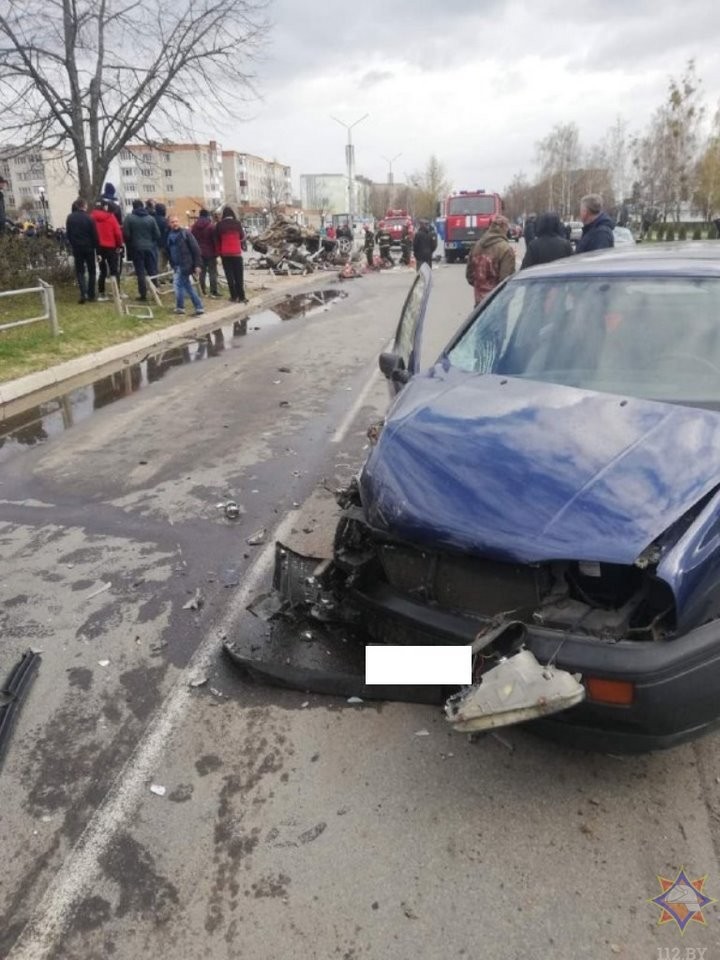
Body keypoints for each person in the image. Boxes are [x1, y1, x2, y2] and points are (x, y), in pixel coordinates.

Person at [466, 214, 516, 305]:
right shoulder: (505, 249)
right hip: (498, 303)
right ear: (503, 228)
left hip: (479, 303)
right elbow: (505, 281)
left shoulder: (476, 246)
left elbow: (469, 275)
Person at [166, 214, 204, 316]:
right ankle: (199, 306)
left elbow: (196, 249)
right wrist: (172, 264)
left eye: (176, 221)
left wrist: (197, 265)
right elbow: (169, 252)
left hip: (185, 264)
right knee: (187, 286)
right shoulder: (169, 236)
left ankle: (180, 307)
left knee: (177, 284)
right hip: (177, 265)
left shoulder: (186, 234)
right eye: (172, 222)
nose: (175, 224)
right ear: (169, 224)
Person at [123, 198, 160, 301]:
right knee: (152, 270)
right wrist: (151, 242)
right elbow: (157, 234)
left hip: (136, 248)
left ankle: (143, 294)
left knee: (140, 272)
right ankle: (155, 291)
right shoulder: (150, 218)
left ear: (133, 207)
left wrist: (131, 242)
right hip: (150, 248)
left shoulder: (129, 218)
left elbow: (126, 234)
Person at [66, 199, 99, 303]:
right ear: (84, 206)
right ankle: (91, 294)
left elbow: (69, 234)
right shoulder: (90, 218)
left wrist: (73, 244)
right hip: (89, 247)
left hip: (77, 248)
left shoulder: (70, 218)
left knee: (80, 271)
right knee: (91, 270)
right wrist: (96, 247)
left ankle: (83, 293)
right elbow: (94, 235)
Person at [91, 199, 123, 300]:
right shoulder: (111, 217)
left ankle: (101, 293)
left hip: (98, 248)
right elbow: (117, 233)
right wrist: (119, 245)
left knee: (102, 270)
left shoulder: (91, 218)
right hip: (111, 247)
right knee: (114, 270)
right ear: (105, 207)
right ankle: (116, 293)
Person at [215, 205, 247, 303]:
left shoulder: (219, 225)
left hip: (225, 254)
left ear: (223, 215)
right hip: (236, 254)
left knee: (230, 276)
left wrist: (219, 253)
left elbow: (217, 241)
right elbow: (242, 237)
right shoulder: (237, 224)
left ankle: (234, 296)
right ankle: (242, 297)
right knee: (239, 276)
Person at [191, 208, 220, 297]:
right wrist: (217, 252)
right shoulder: (211, 226)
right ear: (208, 215)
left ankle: (202, 290)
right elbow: (215, 240)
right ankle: (213, 291)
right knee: (212, 272)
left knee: (202, 272)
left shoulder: (194, 226)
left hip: (199, 253)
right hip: (211, 252)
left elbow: (192, 240)